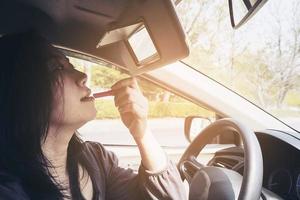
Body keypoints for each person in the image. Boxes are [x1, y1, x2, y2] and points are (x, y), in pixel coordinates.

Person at [0, 32, 187, 200]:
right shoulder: (8, 190)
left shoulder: (96, 160)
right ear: (22, 91)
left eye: (70, 65)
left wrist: (142, 133)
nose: (82, 76)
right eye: (57, 67)